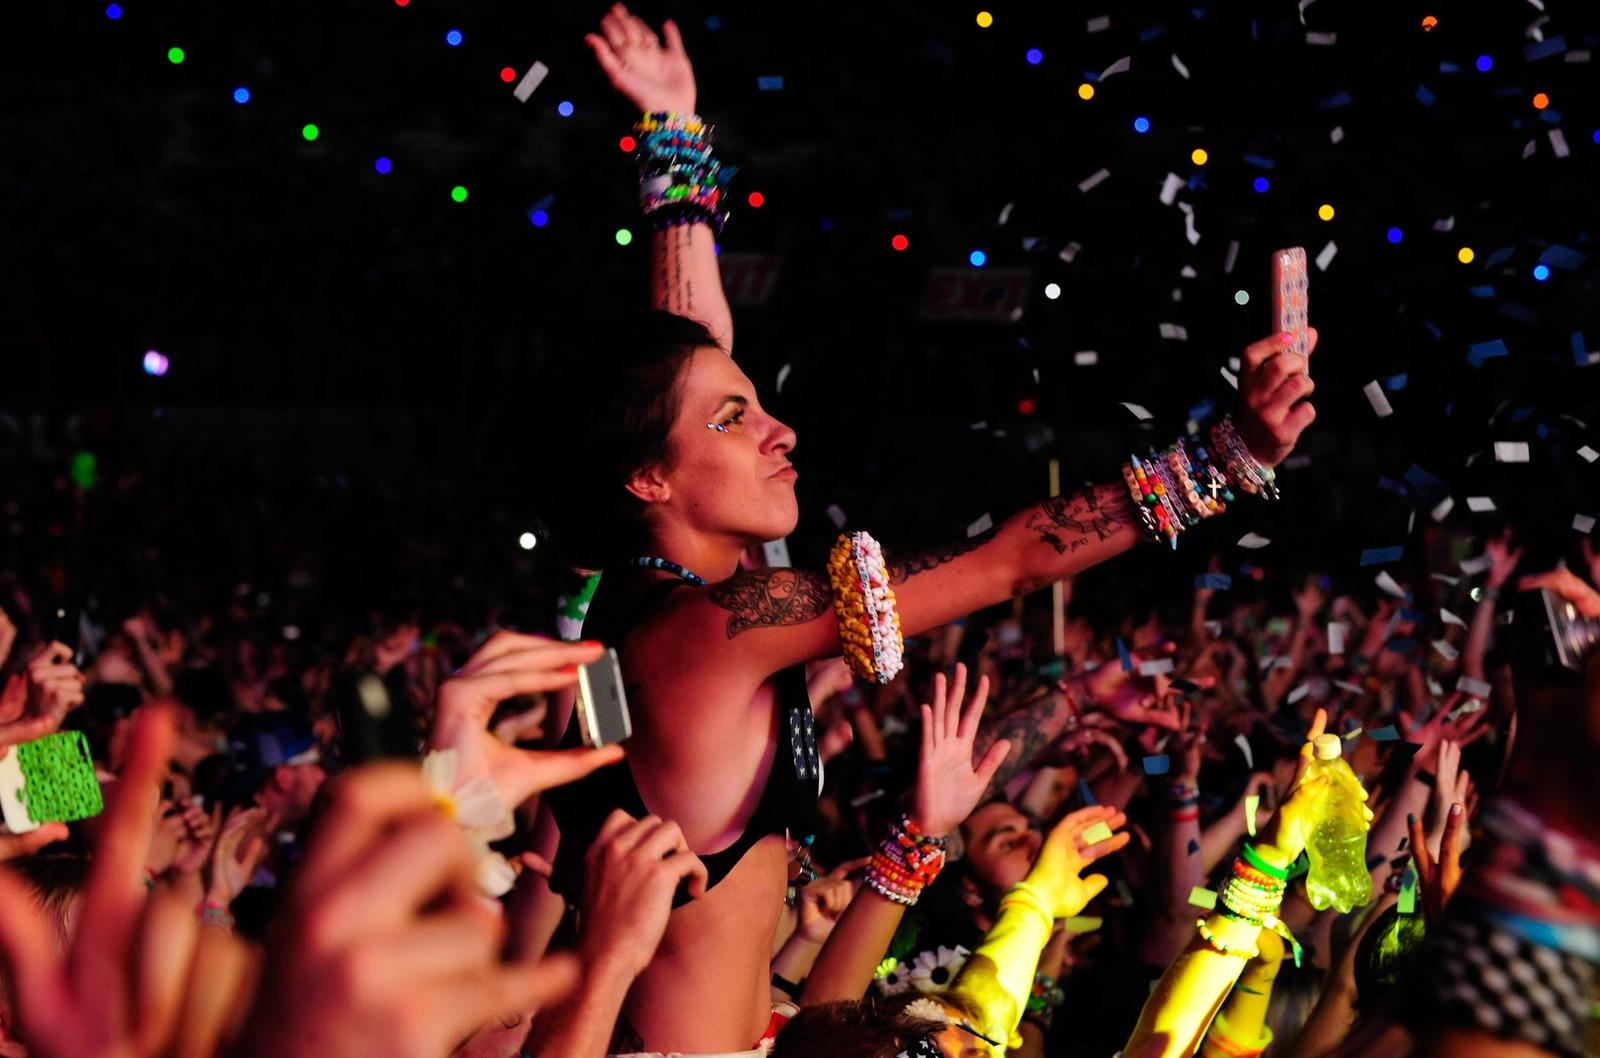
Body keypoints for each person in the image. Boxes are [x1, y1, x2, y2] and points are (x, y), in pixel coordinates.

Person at [514, 7, 1322, 1054]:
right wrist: (1226, 459)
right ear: (647, 475)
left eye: (757, 402)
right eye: (736, 420)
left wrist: (674, 132)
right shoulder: (716, 624)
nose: (778, 429)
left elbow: (691, 352)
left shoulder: (645, 596)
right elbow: (1008, 560)